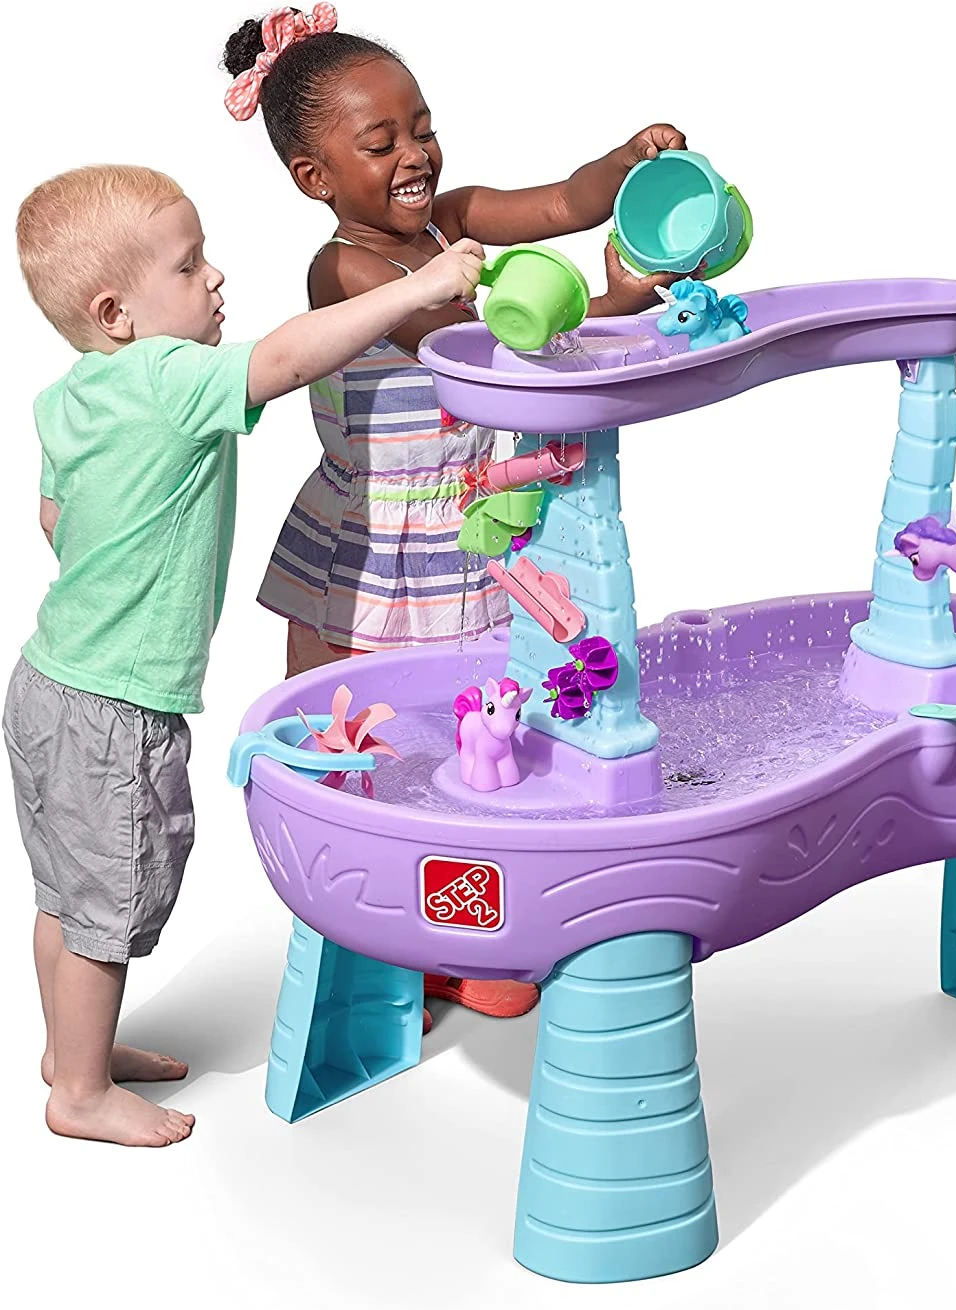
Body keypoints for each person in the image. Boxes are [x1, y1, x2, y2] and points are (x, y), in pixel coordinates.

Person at [222, 5, 688, 1026]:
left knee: (480, 724)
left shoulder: (457, 216)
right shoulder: (343, 270)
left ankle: (469, 920)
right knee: (368, 738)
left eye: (423, 128)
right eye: (380, 142)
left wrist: (628, 162)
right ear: (314, 177)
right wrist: (614, 305)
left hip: (470, 531)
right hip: (376, 553)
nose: (415, 155)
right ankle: (387, 928)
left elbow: (563, 200)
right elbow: (469, 344)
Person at [9, 162, 482, 1146]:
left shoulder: (69, 395)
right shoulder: (167, 377)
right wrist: (418, 288)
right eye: (189, 267)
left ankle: (70, 1049)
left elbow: (55, 518)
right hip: (116, 707)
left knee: (66, 889)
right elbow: (287, 359)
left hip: (47, 681)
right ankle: (81, 1095)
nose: (215, 276)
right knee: (112, 898)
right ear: (116, 312)